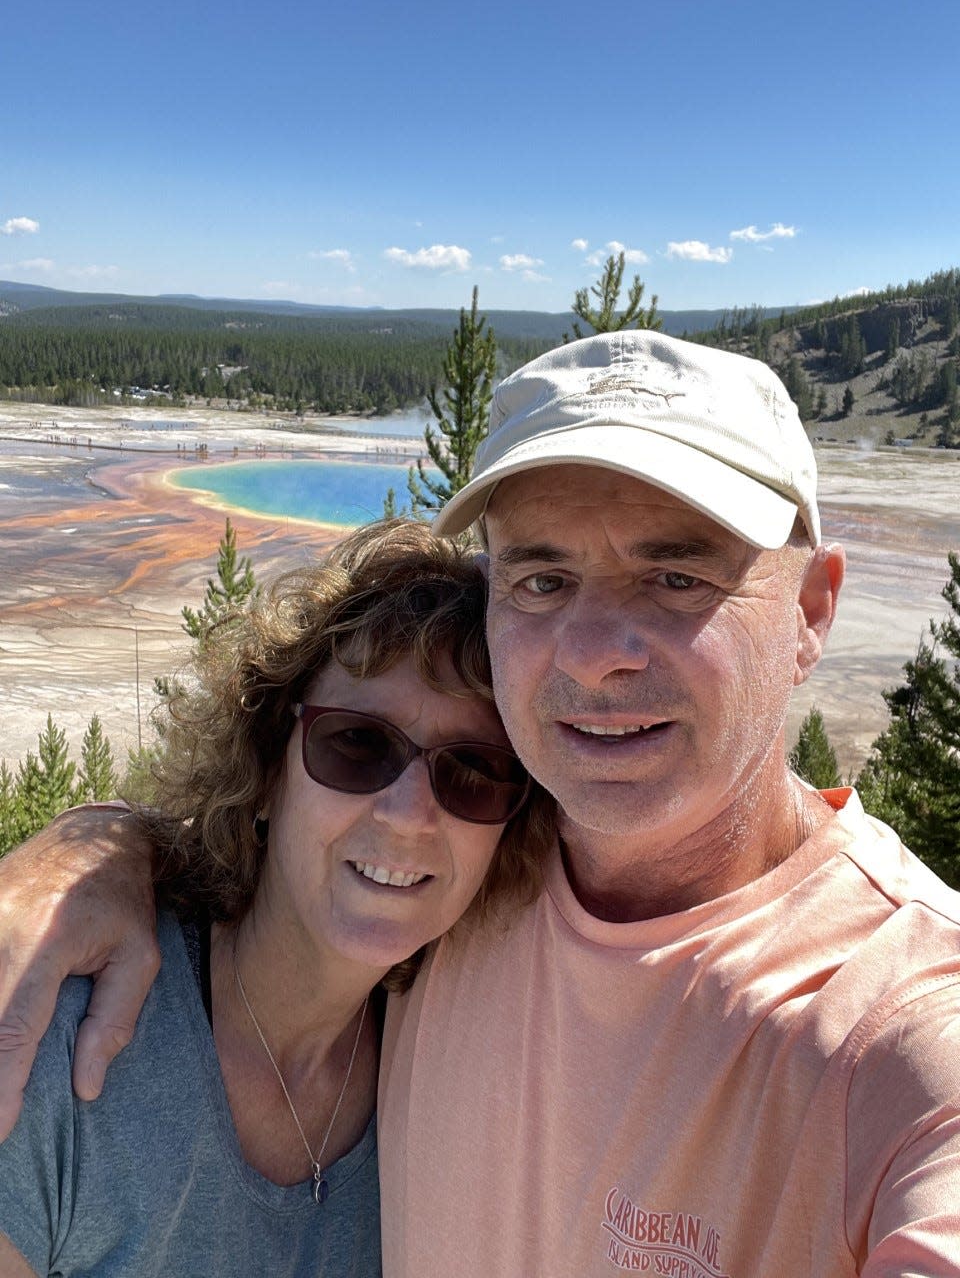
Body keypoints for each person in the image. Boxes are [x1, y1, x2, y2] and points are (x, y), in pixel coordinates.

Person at [1, 331, 959, 1275]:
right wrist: (99, 848)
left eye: (678, 577)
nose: (594, 651)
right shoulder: (468, 888)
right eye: (543, 580)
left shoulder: (900, 1022)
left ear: (813, 612)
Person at [0, 518, 548, 1276]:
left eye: (474, 771)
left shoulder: (454, 1062)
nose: (408, 813)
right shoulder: (60, 1034)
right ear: (266, 772)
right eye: (356, 744)